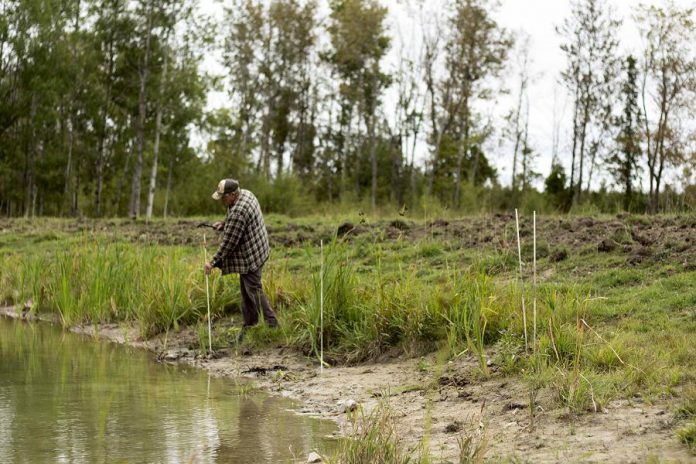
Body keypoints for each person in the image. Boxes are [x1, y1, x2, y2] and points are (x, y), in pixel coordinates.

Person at [204, 179, 277, 344]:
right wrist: (225, 223)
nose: (222, 200)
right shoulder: (246, 193)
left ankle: (272, 325)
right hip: (260, 246)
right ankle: (250, 324)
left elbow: (229, 243)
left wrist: (212, 262)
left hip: (251, 256)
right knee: (247, 290)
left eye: (223, 197)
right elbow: (234, 218)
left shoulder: (239, 211)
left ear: (232, 194)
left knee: (253, 289)